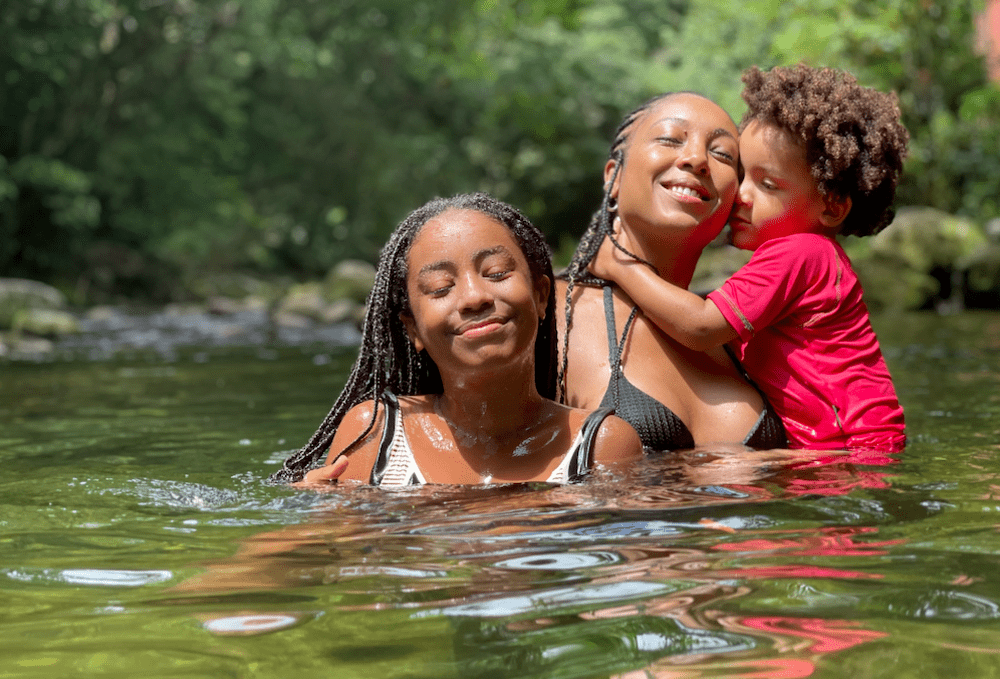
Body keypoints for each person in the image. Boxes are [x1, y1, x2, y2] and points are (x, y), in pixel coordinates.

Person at [590, 65, 908, 452]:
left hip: (851, 449)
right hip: (854, 446)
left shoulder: (802, 253)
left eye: (767, 184)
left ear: (832, 206)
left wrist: (619, 266)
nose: (740, 195)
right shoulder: (812, 259)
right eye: (741, 175)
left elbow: (701, 326)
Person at [270, 192, 643, 486]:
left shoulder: (602, 445)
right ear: (413, 329)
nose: (473, 297)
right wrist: (317, 517)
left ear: (542, 297)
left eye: (496, 273)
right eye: (440, 287)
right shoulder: (377, 432)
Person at [557, 91, 787, 452]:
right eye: (669, 139)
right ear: (613, 176)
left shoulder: (734, 335)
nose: (697, 159)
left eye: (723, 154)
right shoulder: (546, 315)